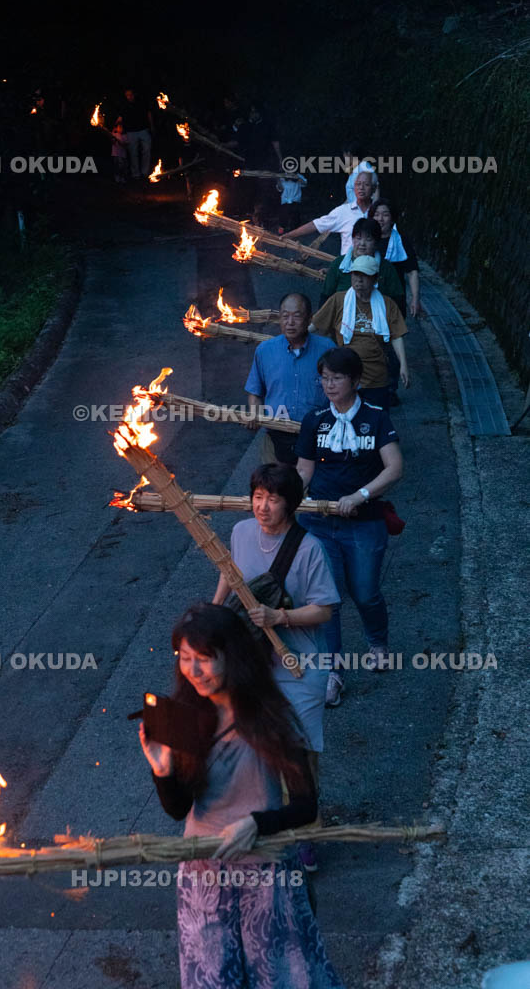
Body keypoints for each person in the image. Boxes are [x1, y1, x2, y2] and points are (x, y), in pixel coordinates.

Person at [139, 602, 345, 989]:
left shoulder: (271, 718)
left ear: (232, 658)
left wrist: (256, 824)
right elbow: (178, 808)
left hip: (265, 875)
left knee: (282, 979)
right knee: (213, 980)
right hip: (203, 875)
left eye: (204, 659)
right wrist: (162, 770)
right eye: (185, 658)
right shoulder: (183, 716)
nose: (193, 670)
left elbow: (305, 806)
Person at [295, 347, 404, 707]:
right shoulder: (315, 420)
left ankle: (377, 642)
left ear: (355, 380)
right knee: (327, 599)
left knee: (365, 591)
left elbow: (394, 468)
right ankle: (333, 673)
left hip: (364, 522)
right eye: (324, 378)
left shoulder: (376, 418)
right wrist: (289, 497)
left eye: (336, 378)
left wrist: (359, 496)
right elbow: (305, 469)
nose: (329, 385)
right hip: (319, 522)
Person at [212, 463, 340, 757]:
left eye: (273, 499)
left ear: (290, 503)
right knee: (252, 750)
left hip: (299, 667)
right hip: (249, 661)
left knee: (298, 750)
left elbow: (324, 611)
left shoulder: (311, 549)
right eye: (258, 497)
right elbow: (230, 572)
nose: (262, 507)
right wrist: (215, 608)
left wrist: (279, 617)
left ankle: (304, 801)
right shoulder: (241, 531)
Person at [245, 293, 335, 465]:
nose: (290, 322)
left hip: (317, 437)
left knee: (311, 489)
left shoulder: (327, 349)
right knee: (276, 489)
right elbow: (255, 392)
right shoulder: (265, 351)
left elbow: (345, 393)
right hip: (275, 436)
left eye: (297, 316)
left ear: (309, 319)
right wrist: (254, 415)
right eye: (285, 316)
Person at [309, 255, 409, 410]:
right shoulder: (338, 300)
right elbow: (315, 325)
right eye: (355, 274)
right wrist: (294, 338)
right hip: (344, 377)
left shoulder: (387, 304)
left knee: (375, 425)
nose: (359, 280)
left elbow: (397, 336)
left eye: (364, 276)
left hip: (376, 378)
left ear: (375, 279)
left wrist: (403, 364)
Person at [319, 218, 404, 313]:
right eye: (358, 238)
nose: (362, 244)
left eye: (368, 239)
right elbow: (325, 296)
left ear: (376, 243)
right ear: (352, 239)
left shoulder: (386, 268)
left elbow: (398, 302)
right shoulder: (339, 264)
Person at [284, 171, 377, 255]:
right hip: (349, 269)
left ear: (373, 188)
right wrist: (288, 235)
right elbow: (315, 225)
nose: (361, 188)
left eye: (366, 184)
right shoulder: (344, 211)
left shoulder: (379, 212)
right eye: (358, 184)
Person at [369, 198, 422, 317]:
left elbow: (412, 272)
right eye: (376, 215)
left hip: (394, 298)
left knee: (394, 333)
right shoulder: (366, 239)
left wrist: (415, 298)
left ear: (392, 219)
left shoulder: (401, 242)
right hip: (368, 297)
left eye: (385, 215)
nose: (380, 219)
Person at [116, 88, 153, 179]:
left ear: (134, 94)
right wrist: (117, 126)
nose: (129, 97)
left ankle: (145, 172)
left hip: (143, 129)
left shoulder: (141, 102)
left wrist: (152, 126)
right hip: (131, 132)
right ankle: (135, 174)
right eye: (127, 95)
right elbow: (120, 118)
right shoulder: (124, 105)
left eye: (130, 94)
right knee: (133, 153)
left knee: (146, 150)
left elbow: (148, 113)